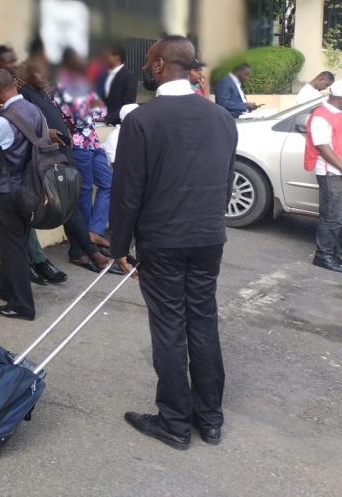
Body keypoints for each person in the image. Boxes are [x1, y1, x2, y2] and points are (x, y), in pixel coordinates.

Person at [110, 36, 237, 450]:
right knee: (202, 321)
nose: (147, 68)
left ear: (162, 66)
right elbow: (224, 178)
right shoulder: (221, 118)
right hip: (207, 237)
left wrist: (119, 246)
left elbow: (128, 191)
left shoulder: (142, 121)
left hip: (164, 240)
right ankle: (210, 418)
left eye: (150, 62)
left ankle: (175, 422)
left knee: (169, 328)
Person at [20, 57, 121, 275]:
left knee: (78, 196)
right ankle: (86, 249)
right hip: (55, 153)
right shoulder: (29, 94)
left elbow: (99, 111)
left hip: (70, 149)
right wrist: (47, 133)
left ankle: (85, 245)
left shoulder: (44, 93)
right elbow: (71, 117)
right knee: (73, 198)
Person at [0, 46, 67, 285]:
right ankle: (29, 265)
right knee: (12, 223)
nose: (16, 66)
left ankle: (30, 265)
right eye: (10, 63)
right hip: (3, 160)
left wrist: (47, 131)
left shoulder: (16, 92)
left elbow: (24, 119)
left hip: (20, 161)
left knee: (17, 219)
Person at [0, 68, 41, 320]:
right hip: (29, 189)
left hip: (7, 191)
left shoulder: (3, 120)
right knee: (17, 240)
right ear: (14, 84)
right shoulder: (33, 110)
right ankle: (3, 286)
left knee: (11, 247)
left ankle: (23, 305)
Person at [53, 50, 112, 248]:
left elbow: (103, 110)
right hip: (78, 143)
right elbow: (77, 118)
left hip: (93, 142)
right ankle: (88, 241)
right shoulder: (60, 87)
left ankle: (94, 231)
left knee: (108, 183)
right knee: (85, 190)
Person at [303, 80, 342, 272]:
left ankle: (336, 254)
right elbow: (324, 148)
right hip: (330, 172)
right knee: (332, 216)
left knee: (339, 216)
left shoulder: (338, 113)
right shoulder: (321, 116)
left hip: (338, 171)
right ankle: (323, 256)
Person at [101, 45, 138, 124]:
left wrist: (106, 118)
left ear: (117, 57)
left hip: (117, 124)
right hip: (99, 123)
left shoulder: (128, 76)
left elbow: (128, 105)